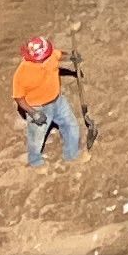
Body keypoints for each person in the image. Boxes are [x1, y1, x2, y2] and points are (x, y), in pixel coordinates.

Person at [13, 36, 83, 168]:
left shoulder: (50, 55)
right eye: (41, 59)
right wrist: (33, 113)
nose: (45, 61)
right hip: (38, 108)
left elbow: (60, 55)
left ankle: (72, 155)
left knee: (71, 126)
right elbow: (19, 98)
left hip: (58, 101)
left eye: (46, 57)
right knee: (36, 138)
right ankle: (35, 162)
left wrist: (71, 57)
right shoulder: (22, 73)